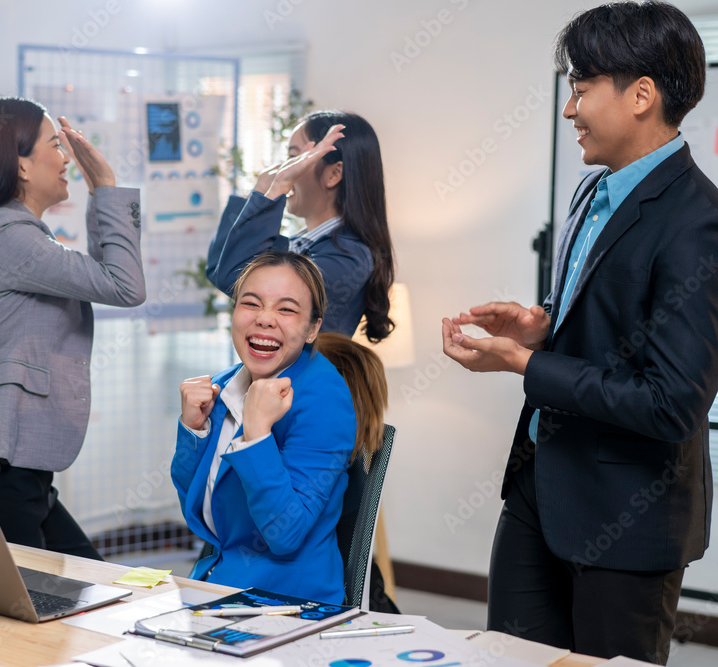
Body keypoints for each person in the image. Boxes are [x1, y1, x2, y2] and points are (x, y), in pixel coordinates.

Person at [441, 3, 718, 663]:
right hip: (538, 489)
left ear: (641, 95)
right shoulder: (591, 192)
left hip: (627, 517)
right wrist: (538, 326)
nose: (569, 108)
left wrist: (525, 366)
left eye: (581, 86)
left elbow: (672, 400)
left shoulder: (699, 221)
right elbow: (607, 323)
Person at [0, 96, 146, 558]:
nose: (67, 157)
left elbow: (107, 279)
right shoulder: (8, 233)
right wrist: (105, 185)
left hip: (12, 473)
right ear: (21, 166)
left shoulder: (10, 232)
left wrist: (101, 195)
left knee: (88, 594)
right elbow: (124, 285)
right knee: (36, 623)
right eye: (56, 145)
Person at [172, 251, 385, 603]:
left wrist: (257, 436)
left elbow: (286, 534)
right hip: (222, 581)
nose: (265, 319)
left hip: (286, 603)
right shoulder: (226, 385)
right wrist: (194, 431)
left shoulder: (324, 397)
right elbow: (198, 506)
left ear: (313, 328)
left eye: (286, 309)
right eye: (251, 303)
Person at [206, 111, 396, 341]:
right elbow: (218, 269)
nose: (289, 168)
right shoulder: (303, 242)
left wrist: (280, 185)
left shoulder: (347, 256)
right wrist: (261, 188)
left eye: (298, 158)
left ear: (334, 174)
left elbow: (233, 277)